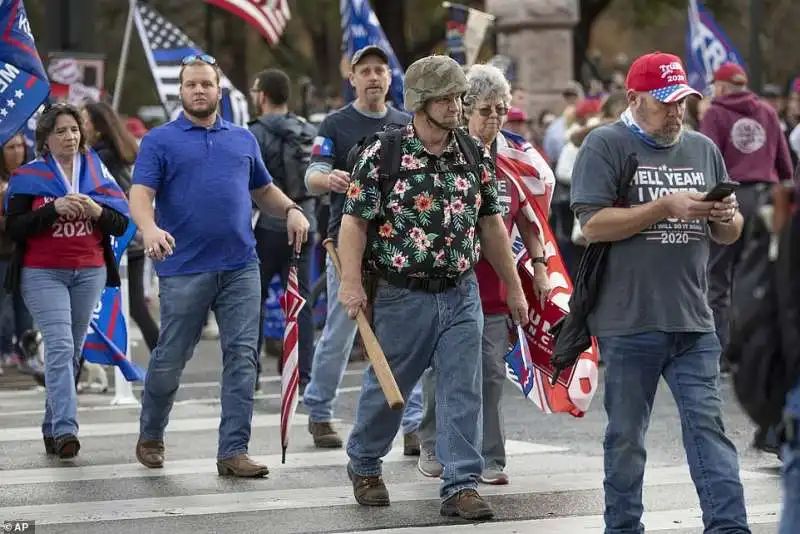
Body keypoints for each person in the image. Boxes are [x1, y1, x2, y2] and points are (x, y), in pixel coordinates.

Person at [337, 55, 529, 520]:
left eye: (458, 97)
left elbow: (492, 226)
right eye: (445, 98)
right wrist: (349, 281)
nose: (455, 106)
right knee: (391, 387)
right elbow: (354, 223)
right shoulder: (382, 153)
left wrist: (513, 287)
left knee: (463, 387)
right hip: (403, 293)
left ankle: (460, 484)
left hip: (461, 291)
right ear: (421, 102)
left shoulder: (473, 153)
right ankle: (364, 462)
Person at [570, 52, 751, 533]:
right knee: (627, 437)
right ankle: (624, 527)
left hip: (694, 320)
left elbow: (729, 233)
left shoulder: (702, 148)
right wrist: (664, 207)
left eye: (683, 103)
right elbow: (592, 225)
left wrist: (725, 215)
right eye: (665, 103)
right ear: (634, 99)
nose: (676, 113)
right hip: (629, 322)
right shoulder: (604, 145)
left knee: (709, 430)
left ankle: (729, 527)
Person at [130, 54, 310, 477]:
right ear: (181, 91)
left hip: (240, 265)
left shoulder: (242, 139)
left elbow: (263, 190)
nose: (198, 90)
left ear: (218, 90)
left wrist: (292, 210)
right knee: (171, 356)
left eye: (206, 84)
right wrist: (150, 228)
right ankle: (151, 433)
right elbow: (140, 194)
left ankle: (233, 450)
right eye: (191, 84)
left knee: (243, 357)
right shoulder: (160, 140)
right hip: (183, 267)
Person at [416, 64, 551, 486]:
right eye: (485, 110)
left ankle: (491, 455)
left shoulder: (516, 159)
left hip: (496, 287)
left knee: (491, 373)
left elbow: (531, 221)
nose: (494, 118)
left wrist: (540, 269)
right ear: (465, 109)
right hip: (449, 281)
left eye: (501, 110)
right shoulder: (446, 152)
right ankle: (433, 442)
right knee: (445, 369)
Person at [302, 45, 422, 453]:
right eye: (365, 71)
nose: (373, 77)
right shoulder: (336, 124)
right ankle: (319, 412)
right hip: (347, 242)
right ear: (352, 79)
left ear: (390, 79)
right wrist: (328, 178)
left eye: (380, 70)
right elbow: (312, 174)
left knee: (405, 334)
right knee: (341, 329)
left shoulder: (407, 123)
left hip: (398, 243)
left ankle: (413, 424)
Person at [4, 103, 130, 459]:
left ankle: (52, 424)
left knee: (72, 352)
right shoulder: (30, 176)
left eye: (74, 130)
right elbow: (14, 228)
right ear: (45, 139)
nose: (69, 137)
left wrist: (96, 211)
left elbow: (120, 222)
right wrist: (51, 210)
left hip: (88, 271)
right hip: (43, 273)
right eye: (60, 131)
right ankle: (66, 429)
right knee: (59, 347)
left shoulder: (95, 169)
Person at [699, 63, 794, 362]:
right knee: (759, 276)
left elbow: (707, 160)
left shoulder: (715, 113)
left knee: (718, 278)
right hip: (766, 199)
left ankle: (724, 351)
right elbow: (785, 164)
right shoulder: (767, 112)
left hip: (730, 198)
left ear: (723, 87)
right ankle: (759, 349)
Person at [248, 68, 317, 390]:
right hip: (304, 223)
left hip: (264, 227)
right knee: (300, 302)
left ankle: (252, 373)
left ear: (262, 95)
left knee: (254, 300)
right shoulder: (306, 129)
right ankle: (304, 374)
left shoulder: (253, 134)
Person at [82, 101, 160, 355]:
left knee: (88, 306)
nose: (80, 127)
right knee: (136, 306)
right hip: (132, 237)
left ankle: (75, 368)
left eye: (84, 121)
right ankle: (163, 357)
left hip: (115, 240)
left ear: (99, 128)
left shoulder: (100, 158)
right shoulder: (121, 152)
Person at [0, 132, 40, 381]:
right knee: (4, 308)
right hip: (3, 253)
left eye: (20, 146)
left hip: (26, 251)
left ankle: (26, 352)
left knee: (25, 307)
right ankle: (4, 350)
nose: (17, 152)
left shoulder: (30, 176)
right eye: (10, 147)